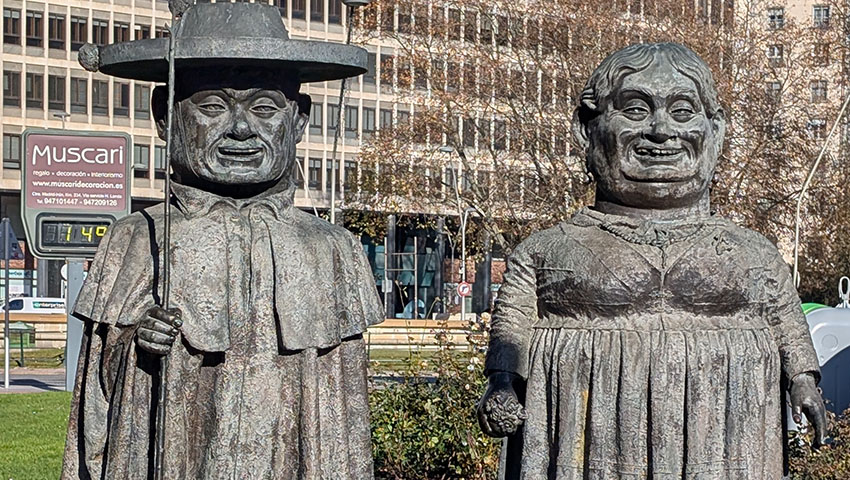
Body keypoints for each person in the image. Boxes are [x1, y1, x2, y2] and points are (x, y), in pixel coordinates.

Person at [61, 3, 383, 479]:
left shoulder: (332, 248)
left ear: (297, 121)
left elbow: (347, 420)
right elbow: (95, 403)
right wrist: (134, 343)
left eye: (265, 107)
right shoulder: (135, 238)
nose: (240, 128)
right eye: (213, 106)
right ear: (166, 119)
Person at [477, 42, 826, 479]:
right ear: (588, 128)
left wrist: (803, 381)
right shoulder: (545, 249)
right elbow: (510, 336)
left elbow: (786, 322)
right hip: (586, 448)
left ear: (714, 131)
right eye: (636, 110)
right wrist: (500, 385)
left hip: (726, 445)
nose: (661, 130)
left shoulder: (754, 252)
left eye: (682, 111)